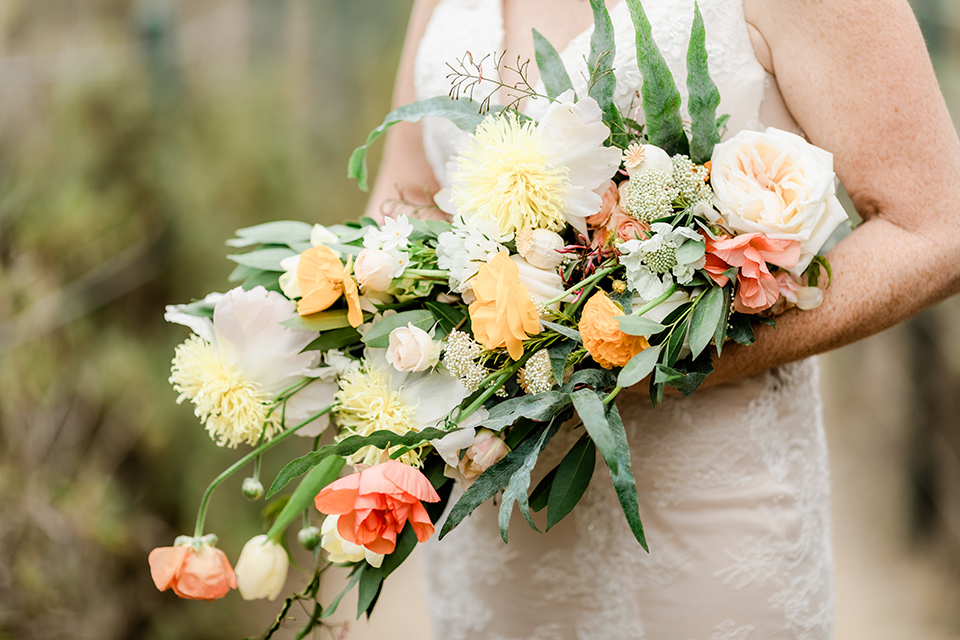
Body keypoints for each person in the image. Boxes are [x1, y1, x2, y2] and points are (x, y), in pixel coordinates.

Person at [363, 1, 960, 638]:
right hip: (496, 507)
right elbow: (408, 197)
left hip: (704, 511)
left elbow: (933, 227)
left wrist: (659, 355)